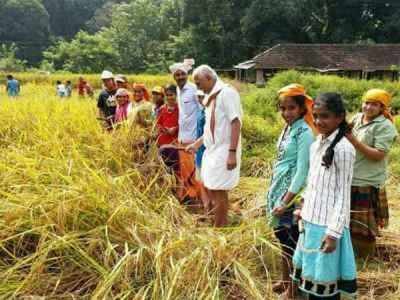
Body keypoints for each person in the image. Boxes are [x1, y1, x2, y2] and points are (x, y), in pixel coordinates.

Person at [291, 93, 357, 300]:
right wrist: (303, 206)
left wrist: (333, 233)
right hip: (310, 222)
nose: (319, 121)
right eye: (316, 116)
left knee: (325, 283)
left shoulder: (344, 148)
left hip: (327, 226)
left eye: (325, 116)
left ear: (339, 117)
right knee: (309, 278)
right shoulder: (316, 144)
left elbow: (343, 194)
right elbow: (313, 183)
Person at [267, 84, 315, 296]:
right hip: (279, 190)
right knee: (282, 239)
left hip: (290, 195)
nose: (286, 113)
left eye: (291, 108)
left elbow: (302, 171)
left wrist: (285, 201)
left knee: (292, 242)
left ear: (302, 109)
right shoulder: (288, 128)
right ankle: (284, 279)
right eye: (283, 108)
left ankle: (294, 289)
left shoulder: (304, 132)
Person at [187, 65, 242, 227]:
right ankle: (216, 221)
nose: (198, 87)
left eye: (199, 83)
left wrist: (231, 152)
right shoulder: (211, 98)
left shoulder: (227, 93)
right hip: (212, 151)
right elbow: (212, 130)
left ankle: (221, 228)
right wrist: (197, 144)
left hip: (225, 149)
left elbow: (235, 122)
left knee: (219, 190)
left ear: (209, 78)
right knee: (210, 186)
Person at [346, 89, 398, 258]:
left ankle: (364, 257)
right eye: (366, 103)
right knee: (348, 220)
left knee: (363, 225)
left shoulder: (385, 126)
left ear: (382, 108)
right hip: (350, 176)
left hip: (367, 179)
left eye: (374, 104)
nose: (368, 107)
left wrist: (353, 141)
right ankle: (349, 254)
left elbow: (378, 155)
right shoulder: (356, 118)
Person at [169, 62, 200, 145]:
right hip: (182, 138)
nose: (180, 77)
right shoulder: (178, 90)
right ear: (174, 77)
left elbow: (202, 111)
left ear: (187, 75)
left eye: (183, 74)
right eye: (177, 75)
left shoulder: (194, 89)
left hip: (194, 139)